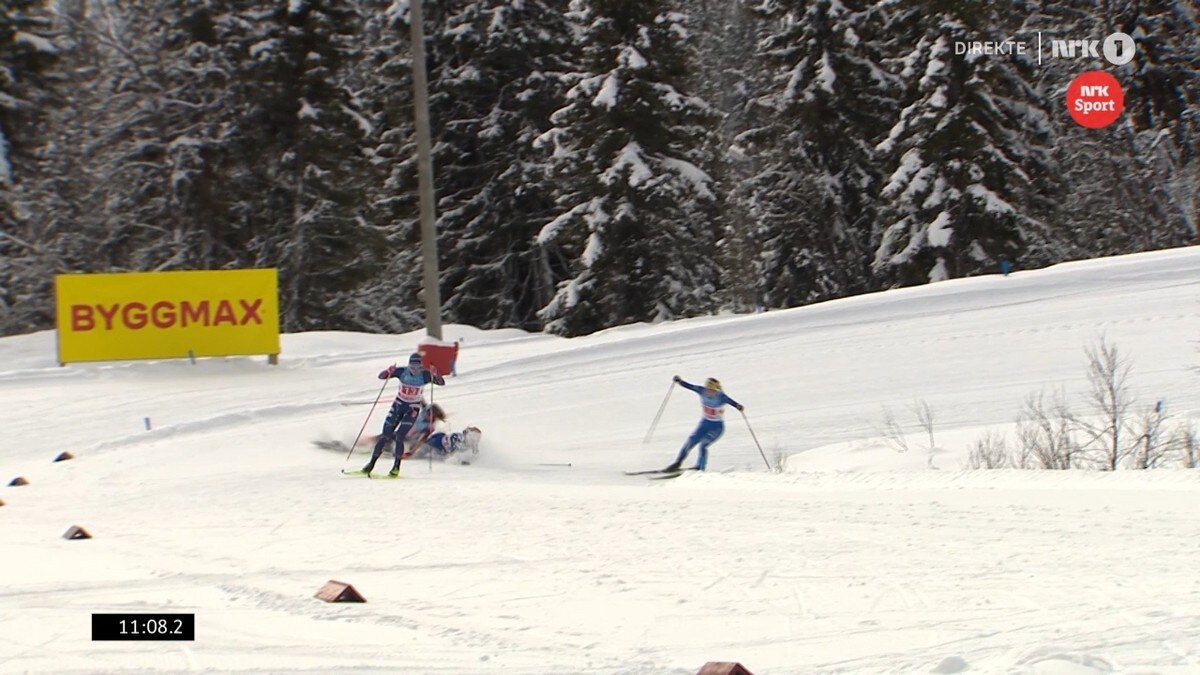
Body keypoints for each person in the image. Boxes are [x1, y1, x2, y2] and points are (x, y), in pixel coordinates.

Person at [360, 352, 446, 476]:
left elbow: (441, 383)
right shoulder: (402, 372)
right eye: (412, 367)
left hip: (412, 409)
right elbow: (381, 376)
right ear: (408, 365)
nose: (415, 370)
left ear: (421, 366)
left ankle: (396, 468)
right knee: (385, 435)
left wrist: (435, 373)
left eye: (418, 367)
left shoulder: (425, 375)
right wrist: (388, 371)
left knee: (399, 436)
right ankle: (370, 464)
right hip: (398, 406)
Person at [664, 376, 743, 472]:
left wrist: (738, 406)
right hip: (704, 424)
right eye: (708, 389)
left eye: (712, 390)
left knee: (703, 445)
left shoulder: (721, 397)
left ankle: (700, 468)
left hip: (716, 427)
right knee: (691, 441)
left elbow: (732, 402)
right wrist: (680, 381)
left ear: (716, 389)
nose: (709, 392)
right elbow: (690, 386)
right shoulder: (701, 390)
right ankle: (677, 463)